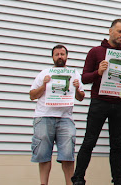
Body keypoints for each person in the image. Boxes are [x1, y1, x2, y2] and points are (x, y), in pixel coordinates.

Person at [72, 19, 121, 185]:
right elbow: (84, 78)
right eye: (119, 31)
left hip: (119, 104)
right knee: (89, 141)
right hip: (99, 102)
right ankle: (78, 178)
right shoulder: (95, 52)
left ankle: (118, 180)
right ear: (110, 31)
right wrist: (98, 72)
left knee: (117, 146)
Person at [30, 45, 85, 185]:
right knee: (43, 155)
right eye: (57, 54)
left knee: (68, 155)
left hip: (65, 119)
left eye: (62, 54)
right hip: (44, 117)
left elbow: (81, 97)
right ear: (53, 57)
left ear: (67, 56)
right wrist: (44, 85)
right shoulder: (44, 73)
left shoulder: (74, 74)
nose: (60, 56)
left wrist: (77, 87)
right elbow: (32, 95)